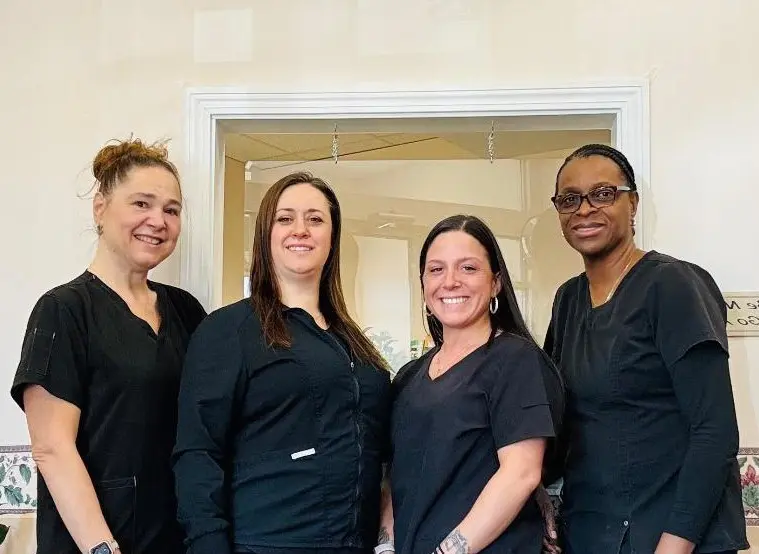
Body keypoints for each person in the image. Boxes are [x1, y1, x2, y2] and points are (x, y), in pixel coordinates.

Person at [172, 172, 392, 554]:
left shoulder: (353, 341)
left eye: (315, 219)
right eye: (285, 218)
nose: (301, 230)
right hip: (268, 543)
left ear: (332, 236)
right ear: (265, 235)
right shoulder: (229, 330)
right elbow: (197, 454)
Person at [544, 144, 749, 554]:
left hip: (670, 535)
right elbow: (561, 421)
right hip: (593, 531)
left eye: (603, 193)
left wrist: (676, 543)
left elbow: (715, 430)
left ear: (632, 203)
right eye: (570, 199)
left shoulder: (673, 285)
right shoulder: (568, 299)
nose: (584, 209)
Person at [10, 138, 207, 554]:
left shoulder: (187, 312)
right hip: (98, 543)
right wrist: (103, 548)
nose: (158, 220)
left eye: (171, 210)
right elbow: (51, 448)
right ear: (100, 208)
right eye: (141, 204)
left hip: (176, 537)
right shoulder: (63, 311)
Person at [388, 214, 564, 554]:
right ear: (423, 284)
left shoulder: (516, 361)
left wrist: (449, 551)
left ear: (496, 282)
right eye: (436, 269)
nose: (450, 281)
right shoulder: (409, 377)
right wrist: (385, 546)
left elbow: (521, 474)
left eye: (468, 268)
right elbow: (391, 477)